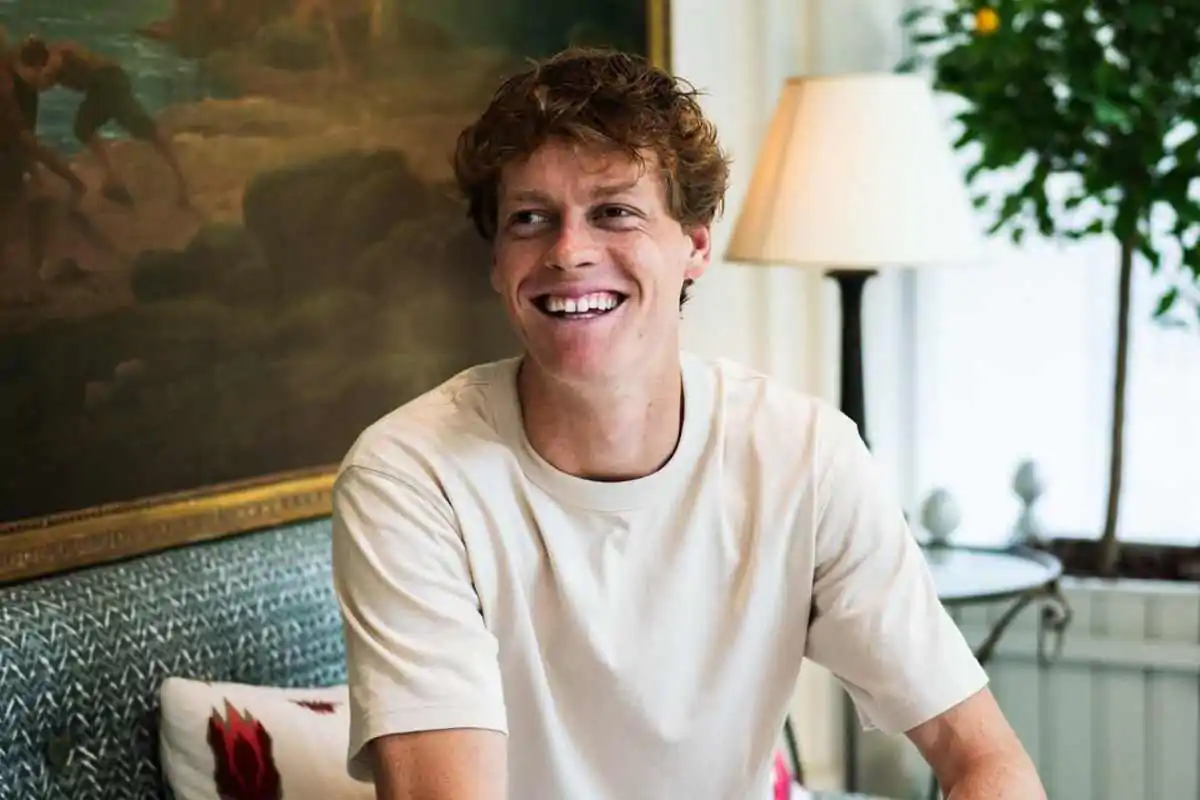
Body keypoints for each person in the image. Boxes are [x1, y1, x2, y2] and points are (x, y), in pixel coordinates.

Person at [330, 48, 1046, 799]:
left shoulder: (803, 455)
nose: (568, 252)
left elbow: (987, 759)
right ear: (498, 262)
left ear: (695, 246)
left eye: (614, 212)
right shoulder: (412, 479)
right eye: (530, 219)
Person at [13, 36, 189, 207]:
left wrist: (24, 72)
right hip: (98, 89)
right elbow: (42, 83)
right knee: (82, 128)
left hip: (111, 82)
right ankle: (113, 179)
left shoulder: (56, 56)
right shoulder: (52, 62)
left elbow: (46, 75)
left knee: (145, 129)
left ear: (38, 62)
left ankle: (181, 180)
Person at [0, 32, 84, 292]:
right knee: (31, 208)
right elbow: (27, 142)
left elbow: (23, 141)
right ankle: (27, 282)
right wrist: (71, 179)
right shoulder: (13, 90)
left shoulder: (17, 86)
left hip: (11, 153)